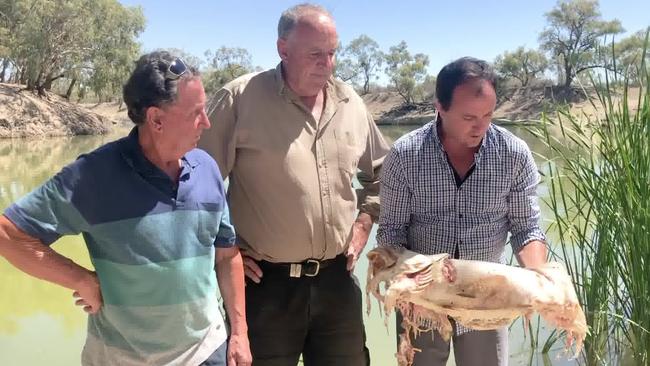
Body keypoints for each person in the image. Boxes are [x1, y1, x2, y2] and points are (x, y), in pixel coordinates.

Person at [0, 51, 251, 366]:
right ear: (156, 119)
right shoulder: (93, 176)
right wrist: (80, 279)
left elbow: (227, 256)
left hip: (207, 350)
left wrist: (239, 332)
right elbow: (9, 233)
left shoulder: (208, 168)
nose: (207, 122)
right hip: (122, 357)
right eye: (196, 113)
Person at [198, 3, 390, 365]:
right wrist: (224, 245)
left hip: (338, 279)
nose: (327, 64)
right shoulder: (240, 100)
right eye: (315, 53)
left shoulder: (350, 102)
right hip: (263, 286)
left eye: (332, 53)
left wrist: (364, 222)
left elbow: (385, 175)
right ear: (282, 49)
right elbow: (193, 185)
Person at [376, 57, 548, 366]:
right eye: (469, 116)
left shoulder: (514, 154)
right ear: (440, 106)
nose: (481, 126)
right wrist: (418, 276)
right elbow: (391, 233)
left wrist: (539, 278)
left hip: (488, 301)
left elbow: (527, 229)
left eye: (488, 114)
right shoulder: (404, 155)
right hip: (422, 300)